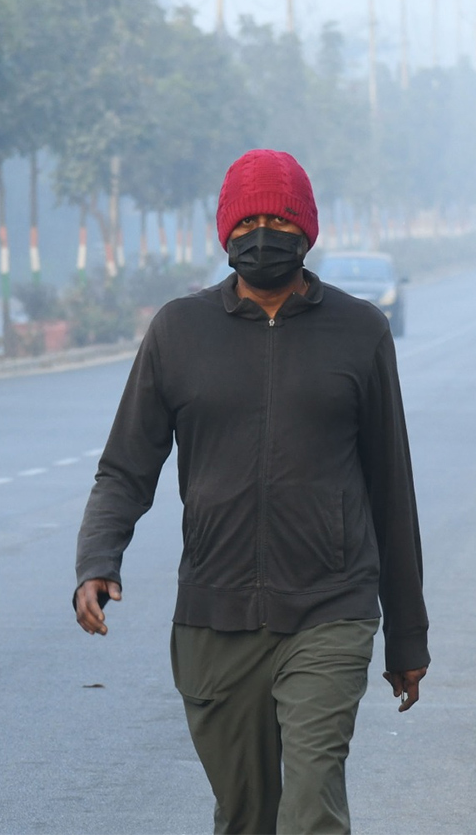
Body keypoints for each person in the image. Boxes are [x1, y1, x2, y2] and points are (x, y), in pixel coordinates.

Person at [71, 149, 429, 834]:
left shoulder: (361, 332)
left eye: (280, 219)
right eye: (249, 220)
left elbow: (392, 488)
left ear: (307, 231)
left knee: (311, 808)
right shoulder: (179, 331)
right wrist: (97, 559)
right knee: (245, 818)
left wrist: (406, 634)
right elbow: (125, 466)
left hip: (331, 607)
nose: (263, 235)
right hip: (215, 616)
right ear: (225, 231)